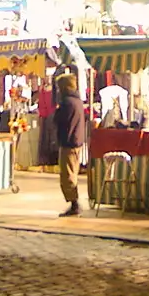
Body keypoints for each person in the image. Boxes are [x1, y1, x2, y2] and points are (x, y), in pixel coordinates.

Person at [55, 72, 86, 216]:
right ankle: (74, 202)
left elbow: (60, 121)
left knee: (67, 174)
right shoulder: (77, 101)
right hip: (76, 140)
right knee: (72, 172)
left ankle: (74, 203)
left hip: (69, 142)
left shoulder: (67, 103)